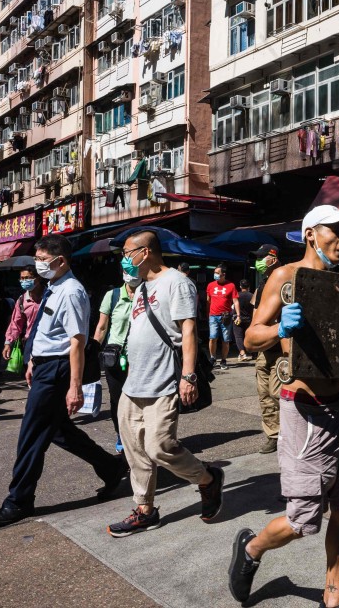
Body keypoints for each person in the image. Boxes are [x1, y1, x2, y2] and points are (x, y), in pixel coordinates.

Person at [229, 205, 339, 608]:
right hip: (305, 409)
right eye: (337, 231)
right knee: (301, 521)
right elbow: (250, 338)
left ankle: (333, 595)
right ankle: (251, 549)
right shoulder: (285, 277)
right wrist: (281, 328)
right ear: (311, 233)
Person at [0, 235, 127, 527]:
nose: (38, 265)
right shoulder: (55, 287)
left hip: (58, 370)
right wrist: (34, 361)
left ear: (60, 261)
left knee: (31, 436)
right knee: (59, 431)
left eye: (41, 260)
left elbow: (77, 341)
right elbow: (49, 333)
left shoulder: (72, 292)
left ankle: (19, 502)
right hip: (45, 366)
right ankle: (110, 468)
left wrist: (75, 387)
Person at [107, 230, 225, 537]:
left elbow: (188, 331)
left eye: (127, 253)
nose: (124, 259)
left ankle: (208, 479)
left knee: (160, 447)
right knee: (135, 452)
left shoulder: (177, 282)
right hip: (133, 384)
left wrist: (188, 375)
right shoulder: (142, 286)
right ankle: (145, 510)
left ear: (145, 252)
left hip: (163, 382)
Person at [94, 274, 139, 454]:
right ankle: (121, 435)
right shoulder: (112, 296)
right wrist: (92, 353)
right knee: (117, 400)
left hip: (139, 357)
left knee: (138, 400)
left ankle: (138, 437)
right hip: (114, 356)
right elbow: (102, 327)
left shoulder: (148, 294)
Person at [251, 243, 282, 454]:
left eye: (262, 258)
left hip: (282, 347)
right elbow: (255, 312)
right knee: (264, 394)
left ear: (273, 258)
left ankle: (288, 433)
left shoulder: (286, 278)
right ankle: (273, 435)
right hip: (264, 348)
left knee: (279, 393)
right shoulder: (262, 285)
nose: (258, 262)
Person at [4, 267, 46, 366]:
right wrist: (8, 343)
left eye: (27, 278)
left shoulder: (51, 296)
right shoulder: (22, 300)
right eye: (22, 278)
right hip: (30, 343)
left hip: (48, 342)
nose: (24, 281)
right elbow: (15, 324)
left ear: (38, 278)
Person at [207, 265, 239, 370]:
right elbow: (208, 300)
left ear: (223, 274)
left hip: (226, 317)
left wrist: (238, 315)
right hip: (213, 316)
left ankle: (224, 360)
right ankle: (212, 358)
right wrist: (208, 313)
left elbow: (235, 301)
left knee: (225, 340)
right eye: (215, 272)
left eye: (217, 273)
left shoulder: (231, 285)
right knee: (212, 338)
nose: (215, 274)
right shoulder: (210, 285)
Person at [232, 280, 254, 363]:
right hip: (249, 319)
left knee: (238, 336)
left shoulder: (237, 295)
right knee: (249, 336)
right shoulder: (252, 296)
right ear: (249, 287)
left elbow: (233, 306)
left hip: (238, 318)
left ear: (240, 286)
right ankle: (253, 352)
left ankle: (242, 353)